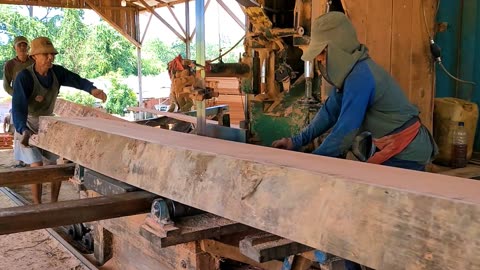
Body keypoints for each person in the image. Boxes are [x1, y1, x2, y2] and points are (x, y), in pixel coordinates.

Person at [271, 12, 437, 270]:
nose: (322, 61)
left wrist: (309, 165)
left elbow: (345, 131)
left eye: (323, 54)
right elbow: (328, 114)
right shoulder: (351, 75)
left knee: (367, 218)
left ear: (335, 47)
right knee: (357, 218)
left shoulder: (361, 75)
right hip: (390, 148)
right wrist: (295, 142)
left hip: (407, 151)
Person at [12, 36, 107, 204]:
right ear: (34, 56)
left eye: (52, 54)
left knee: (59, 163)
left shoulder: (57, 72)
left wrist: (92, 89)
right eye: (46, 54)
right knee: (37, 164)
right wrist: (22, 129)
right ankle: (37, 205)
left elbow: (76, 80)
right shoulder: (24, 77)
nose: (50, 57)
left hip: (47, 122)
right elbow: (18, 107)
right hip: (26, 123)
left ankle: (53, 203)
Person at [3, 36, 34, 168]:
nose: (22, 47)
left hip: (33, 99)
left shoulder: (34, 61)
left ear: (28, 47)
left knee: (33, 126)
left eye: (24, 45)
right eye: (19, 45)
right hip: (18, 100)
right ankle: (21, 160)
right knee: (19, 128)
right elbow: (6, 85)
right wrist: (17, 96)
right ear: (14, 48)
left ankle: (33, 157)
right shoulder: (10, 64)